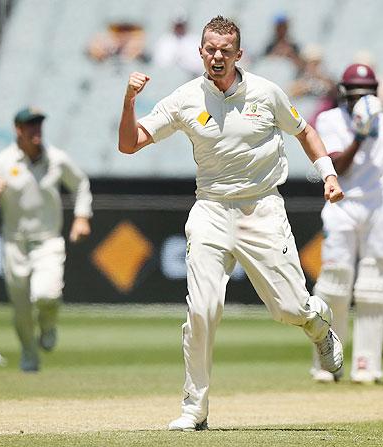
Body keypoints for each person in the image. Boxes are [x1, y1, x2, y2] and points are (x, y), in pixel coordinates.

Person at [118, 16, 345, 431]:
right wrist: (130, 100)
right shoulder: (186, 97)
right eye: (210, 49)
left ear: (239, 54)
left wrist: (328, 174)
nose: (217, 56)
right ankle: (194, 408)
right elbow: (129, 144)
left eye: (225, 50)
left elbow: (305, 130)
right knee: (202, 309)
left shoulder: (266, 92)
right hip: (210, 210)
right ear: (200, 52)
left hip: (262, 208)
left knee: (289, 308)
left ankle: (317, 321)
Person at [310, 63, 383, 383]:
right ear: (344, 94)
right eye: (356, 94)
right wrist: (361, 135)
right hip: (341, 204)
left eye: (367, 94)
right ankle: (327, 362)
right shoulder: (329, 119)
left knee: (374, 287)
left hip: (379, 205)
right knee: (334, 283)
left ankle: (367, 362)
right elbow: (338, 168)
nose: (361, 100)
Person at [0, 107, 92, 373]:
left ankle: (48, 325)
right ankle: (29, 354)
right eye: (30, 125)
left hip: (48, 241)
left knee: (46, 294)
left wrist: (82, 216)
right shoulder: (1, 163)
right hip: (14, 244)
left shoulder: (56, 159)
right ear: (18, 129)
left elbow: (81, 184)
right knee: (21, 309)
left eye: (39, 124)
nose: (36, 130)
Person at [153, 11, 203, 79]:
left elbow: (198, 64)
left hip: (190, 77)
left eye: (181, 25)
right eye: (177, 25)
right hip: (169, 78)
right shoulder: (165, 41)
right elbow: (161, 63)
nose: (179, 28)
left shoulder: (195, 40)